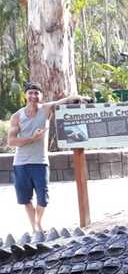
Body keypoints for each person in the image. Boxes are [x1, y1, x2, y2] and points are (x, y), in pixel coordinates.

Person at [7, 82, 84, 234]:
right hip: (21, 163)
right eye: (30, 93)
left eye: (36, 93)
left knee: (43, 198)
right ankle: (36, 228)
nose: (33, 96)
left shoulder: (46, 109)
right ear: (25, 95)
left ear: (41, 96)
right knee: (26, 199)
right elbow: (11, 141)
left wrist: (82, 98)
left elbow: (67, 100)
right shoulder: (17, 116)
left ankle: (37, 222)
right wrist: (32, 138)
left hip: (40, 162)